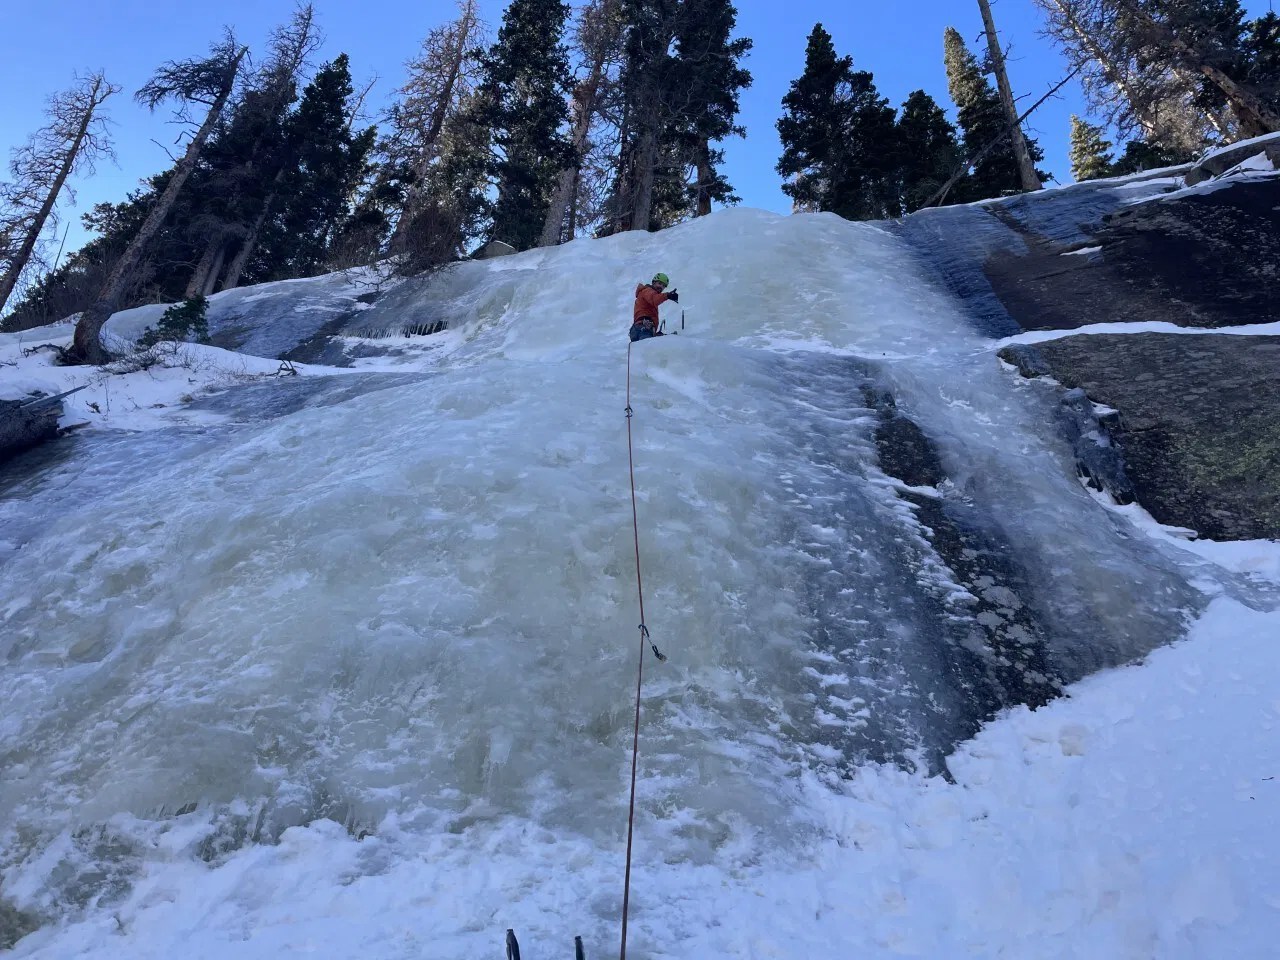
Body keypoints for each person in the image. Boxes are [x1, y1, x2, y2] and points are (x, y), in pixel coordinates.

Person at [630, 272, 678, 342]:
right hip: (643, 327)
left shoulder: (646, 293)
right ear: (653, 282)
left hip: (639, 329)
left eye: (663, 286)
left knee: (642, 351)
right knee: (647, 349)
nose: (661, 287)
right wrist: (668, 295)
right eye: (659, 283)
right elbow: (654, 299)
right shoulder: (648, 291)